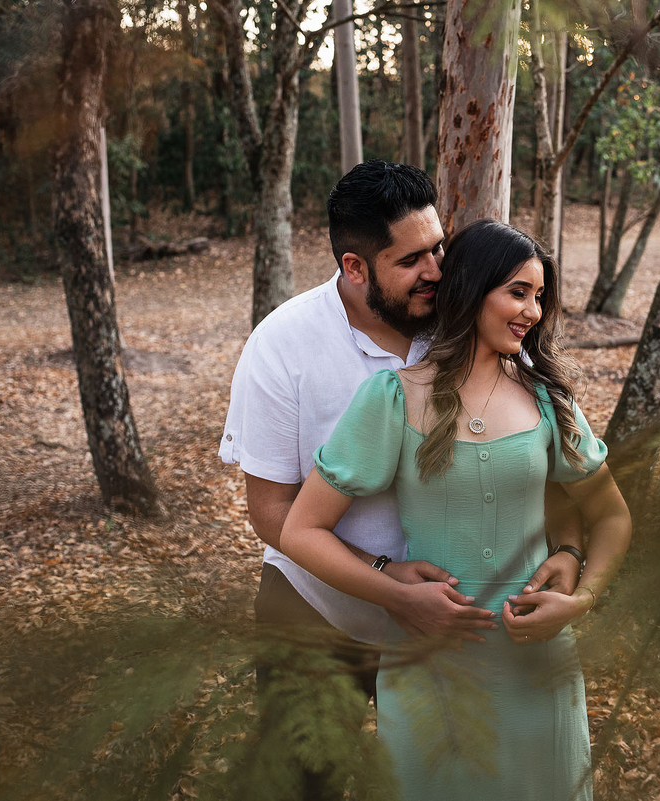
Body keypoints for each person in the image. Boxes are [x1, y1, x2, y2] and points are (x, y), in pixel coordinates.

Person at [218, 162, 584, 797]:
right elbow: (272, 512)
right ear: (355, 267)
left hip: (454, 627)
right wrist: (388, 582)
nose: (437, 270)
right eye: (412, 260)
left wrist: (570, 551)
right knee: (302, 785)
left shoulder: (470, 321)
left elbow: (542, 463)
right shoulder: (282, 346)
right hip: (317, 611)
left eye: (438, 247)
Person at [281, 219, 632, 801]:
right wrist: (393, 592)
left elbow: (613, 517)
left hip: (535, 664)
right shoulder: (394, 398)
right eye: (518, 292)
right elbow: (300, 529)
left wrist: (580, 600)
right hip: (429, 663)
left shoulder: (549, 401)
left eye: (539, 297)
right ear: (471, 289)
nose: (532, 312)